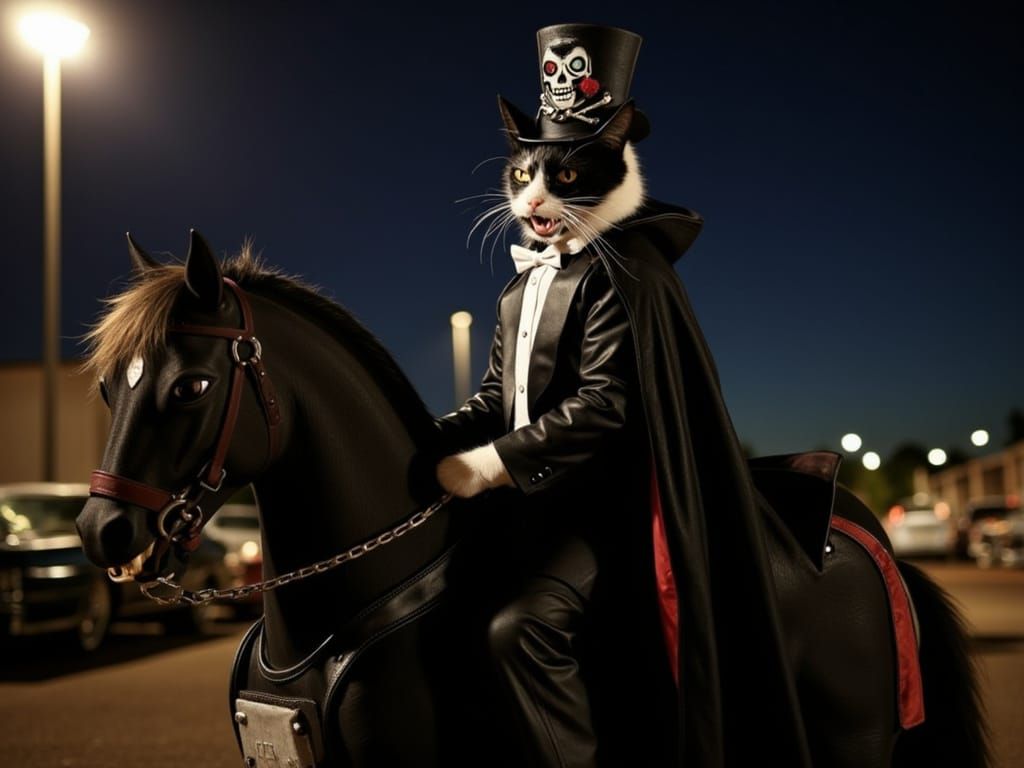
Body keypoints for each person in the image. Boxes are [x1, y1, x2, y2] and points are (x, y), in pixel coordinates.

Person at [434, 23, 810, 768]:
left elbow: (606, 405)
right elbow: (491, 400)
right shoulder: (520, 286)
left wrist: (486, 466)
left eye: (563, 179)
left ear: (613, 167)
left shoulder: (628, 269)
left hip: (613, 510)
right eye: (524, 176)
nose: (536, 195)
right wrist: (426, 439)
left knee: (521, 630)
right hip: (528, 499)